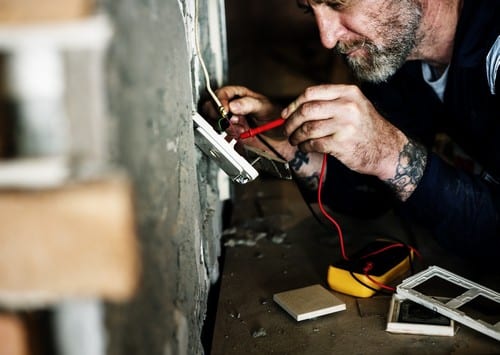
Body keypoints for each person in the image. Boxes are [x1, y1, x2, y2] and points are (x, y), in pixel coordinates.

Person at [203, 0, 499, 260]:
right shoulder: (398, 60)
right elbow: (372, 194)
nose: (327, 38)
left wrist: (388, 152)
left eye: (337, 3)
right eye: (310, 10)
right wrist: (290, 144)